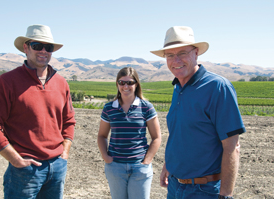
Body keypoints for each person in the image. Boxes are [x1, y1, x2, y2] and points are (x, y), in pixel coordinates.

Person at [0, 24, 76, 199]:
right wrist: (15, 159)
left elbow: (69, 119)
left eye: (48, 47)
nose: (43, 51)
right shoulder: (7, 82)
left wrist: (65, 150)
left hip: (57, 167)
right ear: (26, 47)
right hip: (25, 170)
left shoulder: (61, 83)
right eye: (37, 46)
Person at [150, 26, 246, 199]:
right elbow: (182, 134)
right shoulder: (178, 87)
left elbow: (232, 146)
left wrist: (225, 195)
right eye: (170, 55)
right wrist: (168, 165)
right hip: (174, 185)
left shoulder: (217, 88)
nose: (176, 60)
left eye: (182, 53)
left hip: (204, 190)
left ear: (196, 53)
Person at [97, 67, 162, 199]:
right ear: (117, 84)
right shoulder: (109, 108)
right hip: (115, 168)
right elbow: (102, 136)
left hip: (139, 168)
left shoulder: (146, 107)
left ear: (136, 84)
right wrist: (105, 156)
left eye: (130, 83)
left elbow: (156, 137)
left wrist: (147, 160)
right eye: (121, 82)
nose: (125, 86)